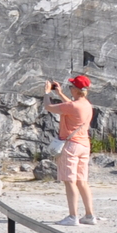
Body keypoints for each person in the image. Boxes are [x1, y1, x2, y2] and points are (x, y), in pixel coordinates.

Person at [46, 74, 98, 225]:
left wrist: (47, 93)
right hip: (84, 145)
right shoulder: (86, 105)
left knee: (70, 181)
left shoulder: (73, 106)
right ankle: (89, 215)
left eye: (71, 87)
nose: (70, 89)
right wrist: (60, 93)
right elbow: (71, 106)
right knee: (82, 181)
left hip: (71, 146)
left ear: (75, 90)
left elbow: (48, 107)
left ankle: (72, 216)